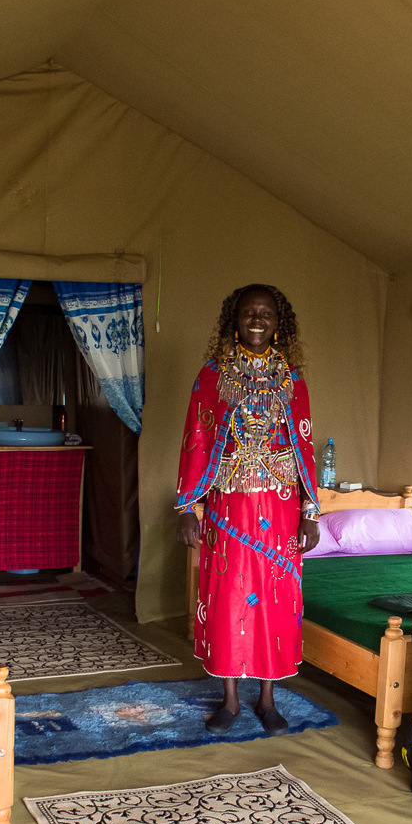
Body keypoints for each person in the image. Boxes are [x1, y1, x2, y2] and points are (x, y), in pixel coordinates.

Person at [176, 283, 320, 733]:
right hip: (228, 506)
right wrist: (187, 507)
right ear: (233, 320)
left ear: (280, 324)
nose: (257, 320)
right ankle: (231, 700)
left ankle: (269, 699)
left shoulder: (293, 379)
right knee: (231, 599)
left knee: (274, 600)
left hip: (279, 508)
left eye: (266, 313)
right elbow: (195, 441)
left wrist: (310, 512)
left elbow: (306, 446)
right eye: (248, 313)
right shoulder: (211, 375)